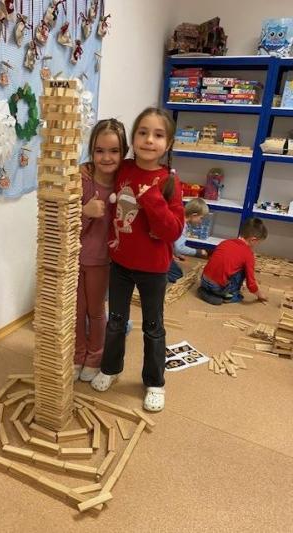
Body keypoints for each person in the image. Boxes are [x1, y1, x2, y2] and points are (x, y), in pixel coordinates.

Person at [90, 107, 185, 412]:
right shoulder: (125, 168)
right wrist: (82, 170)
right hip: (120, 263)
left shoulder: (169, 182)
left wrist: (152, 199)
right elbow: (101, 166)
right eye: (143, 132)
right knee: (116, 322)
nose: (149, 140)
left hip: (154, 269)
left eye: (158, 135)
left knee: (153, 327)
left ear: (168, 144)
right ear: (133, 138)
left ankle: (155, 382)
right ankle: (110, 368)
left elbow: (173, 230)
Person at [74, 118, 129, 382]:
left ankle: (95, 356)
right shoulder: (81, 180)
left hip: (101, 261)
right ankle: (77, 355)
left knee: (96, 311)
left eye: (114, 151)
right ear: (91, 152)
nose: (106, 157)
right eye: (99, 150)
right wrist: (85, 212)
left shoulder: (124, 184)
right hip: (74, 258)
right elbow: (63, 220)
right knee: (76, 311)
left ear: (124, 152)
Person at [198, 217, 268, 305]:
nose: (257, 245)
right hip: (217, 287)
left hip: (204, 280)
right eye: (258, 242)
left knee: (231, 264)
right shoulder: (248, 254)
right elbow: (251, 284)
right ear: (253, 240)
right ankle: (230, 295)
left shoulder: (225, 242)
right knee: (243, 270)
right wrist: (260, 295)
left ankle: (206, 291)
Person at [168, 197, 209, 283]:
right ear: (194, 215)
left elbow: (173, 242)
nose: (201, 222)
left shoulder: (179, 218)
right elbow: (179, 248)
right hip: (159, 254)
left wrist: (176, 254)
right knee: (177, 276)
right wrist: (198, 252)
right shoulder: (182, 225)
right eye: (201, 218)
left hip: (161, 249)